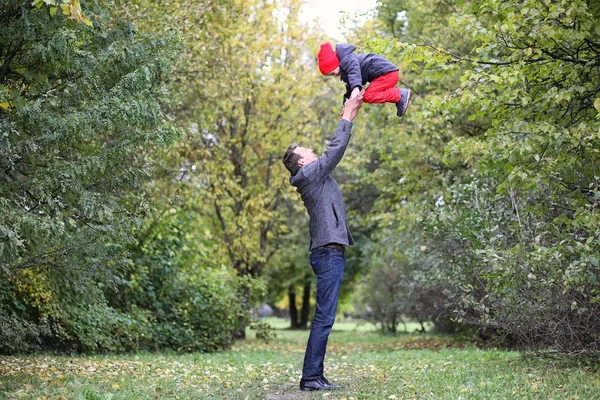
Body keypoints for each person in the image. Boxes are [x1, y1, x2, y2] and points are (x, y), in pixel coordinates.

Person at [282, 93, 364, 392]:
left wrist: (350, 99)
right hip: (328, 254)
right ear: (302, 161)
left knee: (324, 317)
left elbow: (330, 154)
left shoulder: (313, 175)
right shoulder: (308, 175)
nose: (314, 151)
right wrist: (347, 117)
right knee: (324, 318)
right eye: (308, 150)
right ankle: (311, 377)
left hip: (330, 253)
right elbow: (335, 150)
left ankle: (314, 375)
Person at [317, 41, 411, 118]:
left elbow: (354, 70)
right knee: (367, 95)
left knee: (368, 96)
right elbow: (350, 85)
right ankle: (399, 98)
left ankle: (399, 95)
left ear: (335, 64)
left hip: (388, 74)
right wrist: (346, 106)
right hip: (387, 74)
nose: (334, 76)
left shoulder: (347, 60)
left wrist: (356, 88)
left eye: (333, 73)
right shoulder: (346, 68)